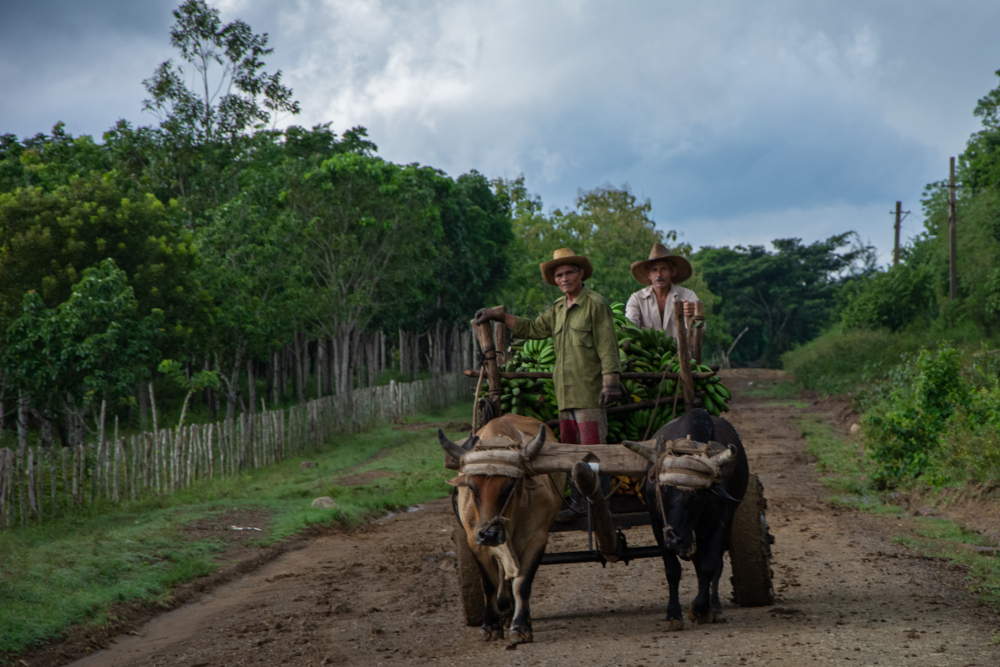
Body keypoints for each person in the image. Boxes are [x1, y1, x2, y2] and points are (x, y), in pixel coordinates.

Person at [474, 247, 622, 519]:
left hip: (589, 393)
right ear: (555, 280)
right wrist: (497, 316)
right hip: (565, 395)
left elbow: (607, 344)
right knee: (568, 452)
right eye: (559, 275)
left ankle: (599, 507)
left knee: (592, 452)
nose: (564, 278)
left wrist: (610, 380)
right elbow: (532, 328)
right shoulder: (557, 309)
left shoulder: (595, 304)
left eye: (569, 273)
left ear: (579, 274)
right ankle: (578, 503)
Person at [625, 242, 701, 336]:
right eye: (654, 270)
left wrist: (693, 314)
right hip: (648, 350)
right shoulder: (637, 299)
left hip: (680, 350)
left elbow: (701, 328)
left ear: (673, 271)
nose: (659, 275)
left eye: (664, 269)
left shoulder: (687, 295)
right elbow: (630, 324)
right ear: (649, 274)